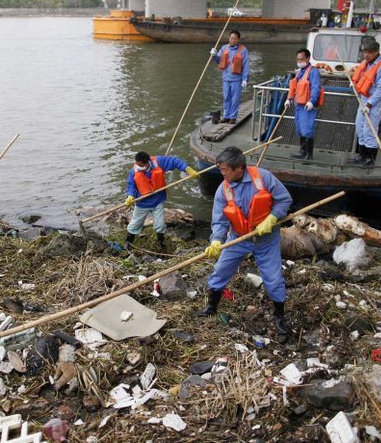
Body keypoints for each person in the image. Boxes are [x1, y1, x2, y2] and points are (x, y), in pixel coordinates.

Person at [196, 147, 293, 339]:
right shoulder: (223, 189)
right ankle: (211, 306)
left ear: (239, 167)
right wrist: (216, 240)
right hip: (238, 238)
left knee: (273, 278)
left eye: (225, 170)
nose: (222, 174)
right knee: (220, 270)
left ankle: (279, 316)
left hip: (266, 239)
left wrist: (272, 218)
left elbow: (284, 200)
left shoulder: (263, 178)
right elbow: (219, 220)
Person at [124, 151, 199, 250]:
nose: (139, 167)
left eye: (141, 165)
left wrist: (187, 168)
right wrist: (130, 196)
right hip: (142, 203)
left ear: (147, 163)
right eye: (137, 165)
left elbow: (174, 161)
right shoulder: (133, 171)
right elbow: (131, 186)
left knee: (160, 224)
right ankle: (128, 241)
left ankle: (160, 242)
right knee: (135, 223)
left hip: (157, 201)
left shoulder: (158, 162)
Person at [350, 38, 381, 166]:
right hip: (364, 98)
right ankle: (361, 155)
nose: (366, 55)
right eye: (364, 52)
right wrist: (354, 83)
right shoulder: (367, 63)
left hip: (376, 101)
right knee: (359, 127)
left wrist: (370, 104)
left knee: (370, 130)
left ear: (376, 52)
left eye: (369, 52)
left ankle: (370, 159)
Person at [285, 48, 322, 161]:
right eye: (298, 59)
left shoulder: (313, 72)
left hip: (307, 106)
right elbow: (294, 87)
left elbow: (316, 88)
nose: (299, 61)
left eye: (301, 59)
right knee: (299, 128)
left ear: (307, 58)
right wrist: (289, 99)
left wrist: (311, 101)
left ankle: (308, 155)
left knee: (307, 129)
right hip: (299, 105)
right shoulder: (299, 72)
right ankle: (302, 151)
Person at [210, 30, 250, 124]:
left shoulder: (243, 50)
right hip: (226, 78)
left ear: (238, 39)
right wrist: (214, 55)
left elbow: (246, 65)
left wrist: (245, 79)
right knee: (226, 97)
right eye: (231, 38)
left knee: (235, 98)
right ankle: (226, 116)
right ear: (229, 38)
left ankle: (233, 117)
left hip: (237, 79)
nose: (233, 40)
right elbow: (219, 60)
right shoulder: (224, 48)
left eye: (235, 39)